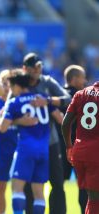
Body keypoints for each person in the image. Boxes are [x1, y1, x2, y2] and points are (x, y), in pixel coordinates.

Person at [0, 72, 63, 214]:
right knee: (39, 192)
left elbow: (2, 128)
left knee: (17, 187)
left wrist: (17, 120)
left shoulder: (14, 102)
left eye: (11, 87)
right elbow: (60, 118)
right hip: (44, 150)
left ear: (17, 86)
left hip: (26, 149)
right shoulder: (42, 99)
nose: (11, 90)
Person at [22, 53, 70, 214]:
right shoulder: (19, 84)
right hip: (27, 142)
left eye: (39, 66)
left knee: (57, 183)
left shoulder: (47, 82)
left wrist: (48, 101)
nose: (37, 70)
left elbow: (68, 98)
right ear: (25, 68)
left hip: (50, 141)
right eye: (34, 67)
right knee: (28, 184)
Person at [61, 80, 99, 214]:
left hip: (80, 151)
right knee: (95, 199)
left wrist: (69, 147)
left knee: (92, 197)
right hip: (96, 153)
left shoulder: (80, 94)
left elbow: (66, 123)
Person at [58, 65, 88, 214]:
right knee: (83, 185)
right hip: (79, 147)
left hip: (61, 146)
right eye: (83, 78)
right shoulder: (81, 96)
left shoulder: (57, 93)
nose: (85, 81)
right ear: (75, 79)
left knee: (57, 185)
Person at [0, 69, 18, 214]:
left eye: (9, 84)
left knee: (18, 188)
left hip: (18, 149)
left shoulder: (17, 102)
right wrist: (0, 124)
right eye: (4, 84)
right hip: (1, 151)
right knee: (1, 188)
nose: (7, 88)